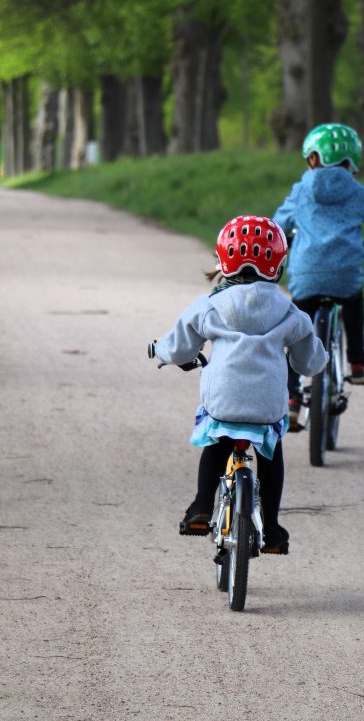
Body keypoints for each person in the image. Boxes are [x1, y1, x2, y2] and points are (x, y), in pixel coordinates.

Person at [148, 214, 327, 555]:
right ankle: (271, 527)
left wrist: (162, 351)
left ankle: (202, 504)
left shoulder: (211, 306)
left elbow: (181, 346)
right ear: (278, 264)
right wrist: (314, 360)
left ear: (224, 261)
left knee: (216, 440)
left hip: (224, 401)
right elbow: (310, 361)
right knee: (271, 455)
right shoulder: (290, 312)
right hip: (267, 405)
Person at [274, 123, 364, 427]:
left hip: (306, 273)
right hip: (345, 272)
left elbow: (279, 225)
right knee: (353, 302)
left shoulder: (301, 190)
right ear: (352, 162)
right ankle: (358, 362)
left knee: (298, 330)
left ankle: (293, 399)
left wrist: (281, 243)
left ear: (312, 158)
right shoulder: (358, 192)